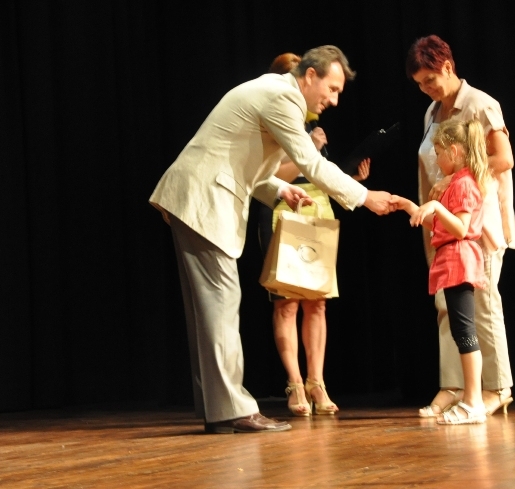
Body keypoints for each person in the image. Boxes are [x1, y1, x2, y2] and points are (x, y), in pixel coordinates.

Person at [149, 45, 394, 434]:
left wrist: (280, 189)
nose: (333, 100)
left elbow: (243, 159)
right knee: (221, 303)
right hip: (203, 198)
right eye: (331, 89)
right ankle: (233, 409)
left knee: (208, 310)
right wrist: (364, 197)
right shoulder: (283, 98)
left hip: (194, 195)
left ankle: (218, 407)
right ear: (310, 76)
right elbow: (311, 164)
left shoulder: (271, 90)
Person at [406, 35, 515, 418]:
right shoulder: (432, 112)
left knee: (481, 305)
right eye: (419, 84)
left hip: (475, 222)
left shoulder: (480, 104)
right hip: (441, 224)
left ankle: (496, 387)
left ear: (448, 67)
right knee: (447, 306)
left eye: (430, 80)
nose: (426, 88)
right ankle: (453, 385)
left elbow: (504, 158)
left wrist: (456, 179)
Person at [257, 53, 371, 417]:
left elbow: (318, 173)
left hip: (318, 209)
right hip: (284, 210)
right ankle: (294, 383)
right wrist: (314, 148)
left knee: (317, 302)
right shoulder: (275, 118)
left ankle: (316, 381)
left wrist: (350, 181)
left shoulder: (309, 122)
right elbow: (271, 176)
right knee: (287, 303)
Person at [391, 118, 490, 424]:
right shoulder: (455, 183)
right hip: (451, 258)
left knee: (465, 332)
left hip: (460, 258)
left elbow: (460, 228)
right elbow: (440, 224)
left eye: (438, 153)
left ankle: (473, 402)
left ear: (455, 151)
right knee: (461, 332)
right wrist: (410, 206)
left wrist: (435, 207)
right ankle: (471, 401)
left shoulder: (463, 184)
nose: (435, 160)